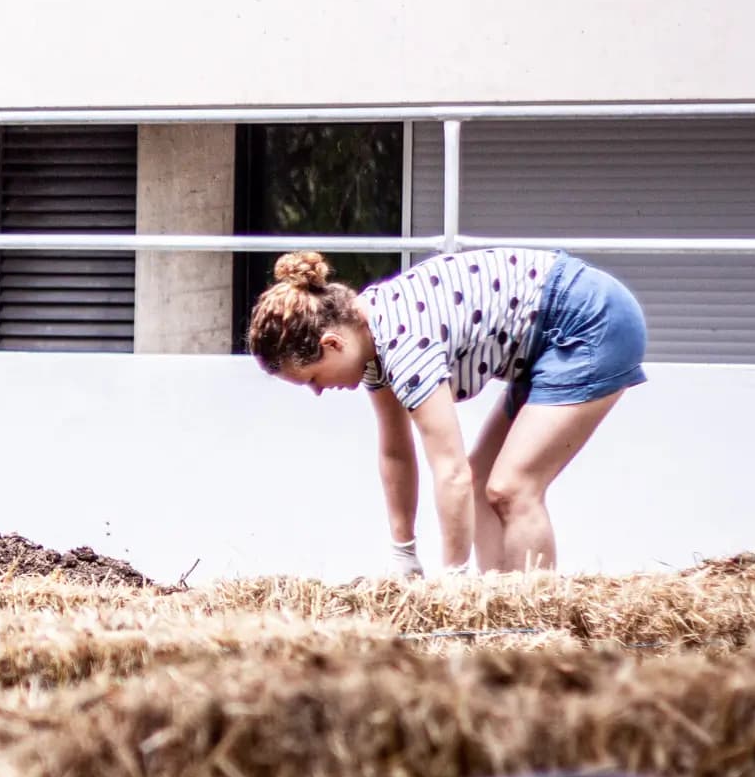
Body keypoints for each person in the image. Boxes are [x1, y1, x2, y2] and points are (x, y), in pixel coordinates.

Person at [246, 246, 647, 575]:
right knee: (483, 487)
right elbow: (396, 452)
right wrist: (404, 552)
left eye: (312, 378)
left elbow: (450, 470)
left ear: (333, 344)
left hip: (589, 320)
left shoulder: (402, 344)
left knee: (513, 486)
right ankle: (497, 621)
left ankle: (535, 628)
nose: (318, 392)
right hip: (544, 339)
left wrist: (451, 579)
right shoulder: (368, 339)